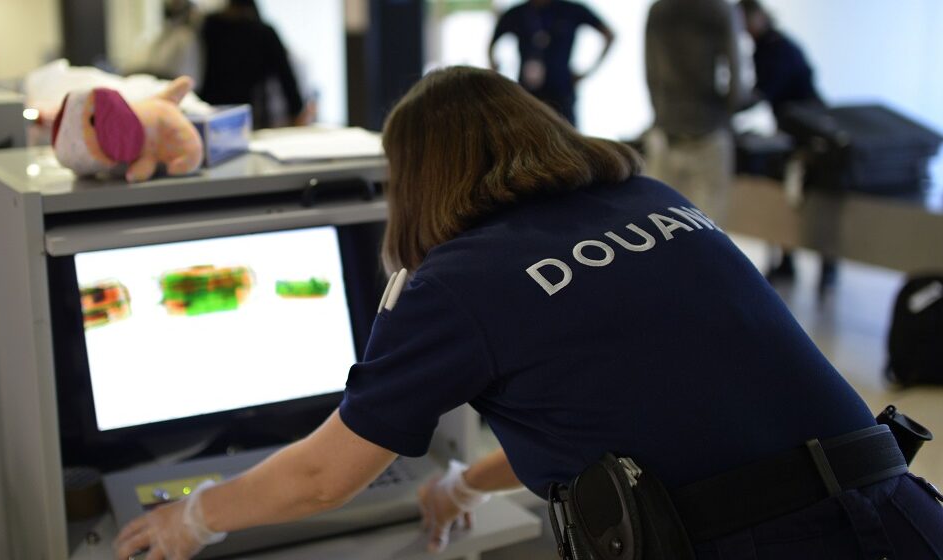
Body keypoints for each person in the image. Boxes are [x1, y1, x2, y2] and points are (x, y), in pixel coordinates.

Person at [114, 67, 943, 560]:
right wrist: (463, 477)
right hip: (900, 509)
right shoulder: (649, 200)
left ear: (417, 180)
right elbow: (622, 407)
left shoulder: (454, 284)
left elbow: (323, 476)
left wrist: (191, 518)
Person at [739, 0, 839, 293]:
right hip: (790, 131)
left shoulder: (779, 49)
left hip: (810, 134)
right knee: (780, 195)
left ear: (757, 16)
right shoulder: (765, 48)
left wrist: (726, 108)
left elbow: (765, 92)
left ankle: (826, 266)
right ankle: (786, 259)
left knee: (817, 195)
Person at [644, 0, 748, 224]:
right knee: (710, 227)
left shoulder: (659, 9)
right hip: (708, 126)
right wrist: (727, 115)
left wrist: (660, 113)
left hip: (667, 127)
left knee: (662, 224)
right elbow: (737, 76)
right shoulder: (719, 9)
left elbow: (650, 72)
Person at [488, 0, 615, 128]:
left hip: (561, 92)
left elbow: (609, 34)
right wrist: (497, 74)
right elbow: (491, 45)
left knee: (566, 138)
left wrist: (588, 72)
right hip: (527, 94)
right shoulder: (517, 13)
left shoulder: (571, 10)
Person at [197, 0, 312, 129]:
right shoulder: (262, 32)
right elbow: (287, 79)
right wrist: (296, 113)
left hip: (215, 113)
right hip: (249, 117)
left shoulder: (211, 26)